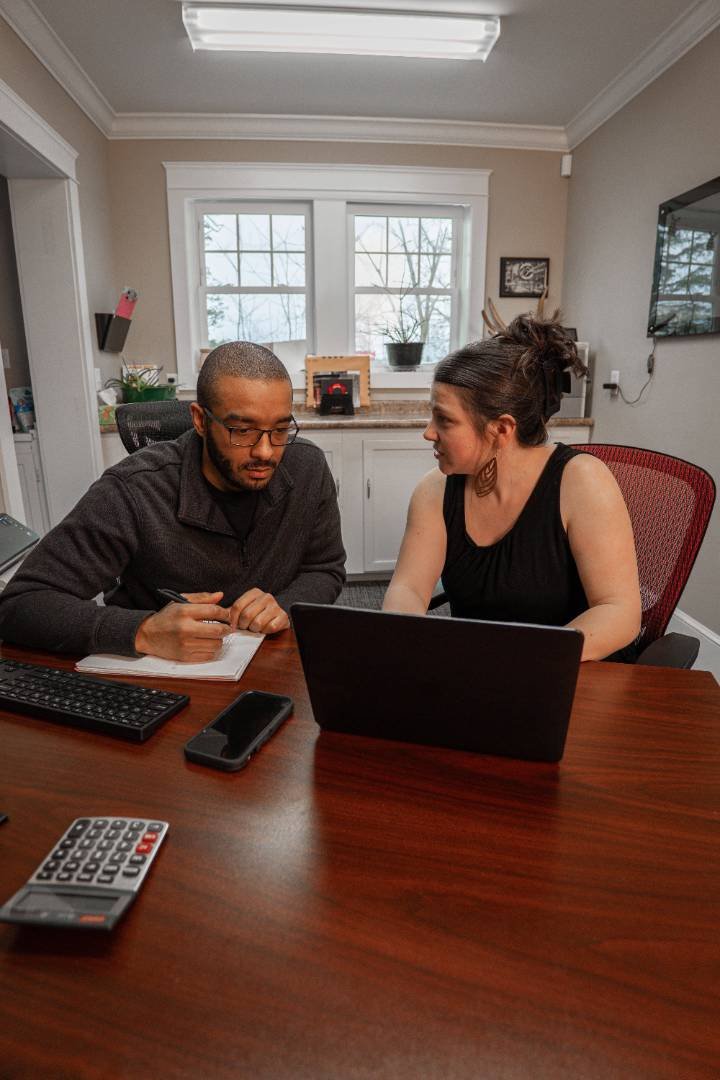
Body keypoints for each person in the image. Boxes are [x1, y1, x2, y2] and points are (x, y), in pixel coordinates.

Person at [0, 342, 345, 661]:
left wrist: (283, 606)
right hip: (161, 680)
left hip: (268, 666)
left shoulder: (307, 468)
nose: (266, 451)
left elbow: (324, 568)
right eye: (242, 430)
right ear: (199, 420)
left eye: (281, 430)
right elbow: (19, 605)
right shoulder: (132, 490)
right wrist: (143, 630)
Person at [382, 309, 641, 662]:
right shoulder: (435, 491)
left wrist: (524, 661)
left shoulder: (582, 481)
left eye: (444, 419)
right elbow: (408, 588)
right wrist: (408, 638)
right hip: (478, 674)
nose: (428, 432)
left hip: (569, 674)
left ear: (502, 429)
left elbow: (619, 611)